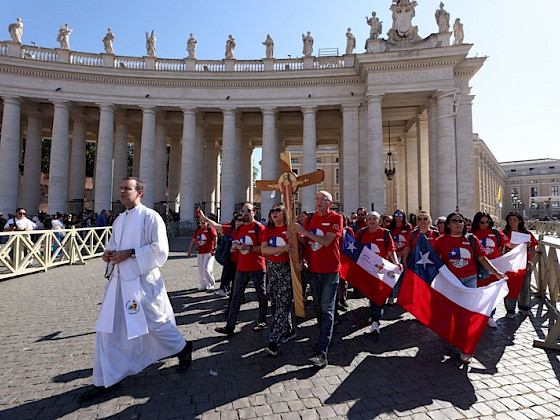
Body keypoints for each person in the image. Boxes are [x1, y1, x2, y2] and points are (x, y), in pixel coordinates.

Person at [79, 177, 192, 403]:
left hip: (142, 282)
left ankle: (182, 348)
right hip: (118, 282)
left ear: (139, 193)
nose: (122, 192)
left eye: (127, 189)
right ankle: (108, 380)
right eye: (121, 188)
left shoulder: (150, 217)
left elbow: (160, 250)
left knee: (156, 324)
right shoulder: (120, 219)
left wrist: (130, 253)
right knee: (106, 329)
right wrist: (108, 253)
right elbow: (114, 244)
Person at [432, 212, 506, 364]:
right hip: (450, 282)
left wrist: (497, 273)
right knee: (451, 311)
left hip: (469, 280)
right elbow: (432, 259)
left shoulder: (471, 239)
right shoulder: (441, 241)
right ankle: (454, 336)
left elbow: (482, 258)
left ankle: (466, 348)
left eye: (461, 221)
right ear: (448, 224)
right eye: (454, 221)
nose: (458, 223)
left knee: (466, 314)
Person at [294, 190, 343, 368]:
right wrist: (299, 257)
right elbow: (303, 243)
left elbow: (327, 241)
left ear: (330, 203)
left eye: (324, 199)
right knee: (318, 309)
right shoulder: (308, 219)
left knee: (326, 308)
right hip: (313, 271)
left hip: (330, 271)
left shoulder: (336, 218)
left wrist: (304, 232)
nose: (320, 201)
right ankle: (324, 337)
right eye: (318, 198)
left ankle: (322, 352)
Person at [206, 203, 267, 335]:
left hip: (257, 267)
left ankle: (262, 321)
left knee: (261, 295)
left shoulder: (259, 227)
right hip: (241, 267)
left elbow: (264, 248)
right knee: (235, 297)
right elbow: (234, 240)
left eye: (248, 211)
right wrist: (235, 247)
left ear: (254, 212)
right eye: (243, 211)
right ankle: (230, 326)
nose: (245, 213)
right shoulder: (239, 229)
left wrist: (249, 248)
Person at [355, 211, 401, 337]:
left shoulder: (385, 233)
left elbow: (391, 251)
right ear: (366, 220)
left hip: (380, 270)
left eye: (374, 218)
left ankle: (375, 322)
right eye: (369, 218)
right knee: (371, 294)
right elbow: (354, 249)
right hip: (366, 270)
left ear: (379, 221)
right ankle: (374, 313)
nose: (372, 220)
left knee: (378, 296)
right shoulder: (361, 233)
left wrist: (396, 263)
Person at [261, 203, 296, 356]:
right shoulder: (267, 230)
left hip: (286, 270)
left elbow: (300, 246)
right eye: (272, 211)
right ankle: (288, 330)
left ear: (284, 213)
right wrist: (282, 249)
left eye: (277, 210)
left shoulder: (290, 229)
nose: (274, 213)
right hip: (272, 271)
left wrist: (294, 238)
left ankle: (273, 341)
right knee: (275, 304)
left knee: (283, 304)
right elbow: (264, 250)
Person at [502, 212, 539, 318]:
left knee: (524, 285)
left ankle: (524, 307)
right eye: (510, 220)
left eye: (514, 220)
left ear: (519, 221)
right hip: (509, 264)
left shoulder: (526, 233)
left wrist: (530, 261)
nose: (512, 222)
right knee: (509, 285)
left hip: (523, 263)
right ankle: (510, 309)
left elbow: (533, 249)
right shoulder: (504, 233)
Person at [214, 212, 243, 298]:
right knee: (226, 275)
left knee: (238, 280)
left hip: (241, 260)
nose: (237, 221)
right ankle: (225, 289)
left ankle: (239, 296)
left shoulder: (246, 230)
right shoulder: (230, 228)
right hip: (230, 258)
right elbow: (217, 226)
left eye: (240, 220)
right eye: (236, 219)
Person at [387, 209, 412, 303]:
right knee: (392, 276)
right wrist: (395, 253)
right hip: (393, 255)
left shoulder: (408, 227)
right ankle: (392, 296)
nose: (398, 216)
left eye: (400, 214)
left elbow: (409, 241)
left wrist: (402, 252)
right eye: (396, 214)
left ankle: (403, 297)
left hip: (405, 254)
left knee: (404, 277)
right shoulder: (390, 227)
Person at [187, 218, 218, 292]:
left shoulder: (211, 229)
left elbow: (215, 238)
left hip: (209, 251)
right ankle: (203, 284)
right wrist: (190, 250)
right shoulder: (198, 230)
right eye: (201, 221)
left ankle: (210, 283)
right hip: (200, 252)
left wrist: (215, 248)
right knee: (201, 269)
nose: (202, 222)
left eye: (204, 220)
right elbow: (194, 240)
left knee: (206, 268)